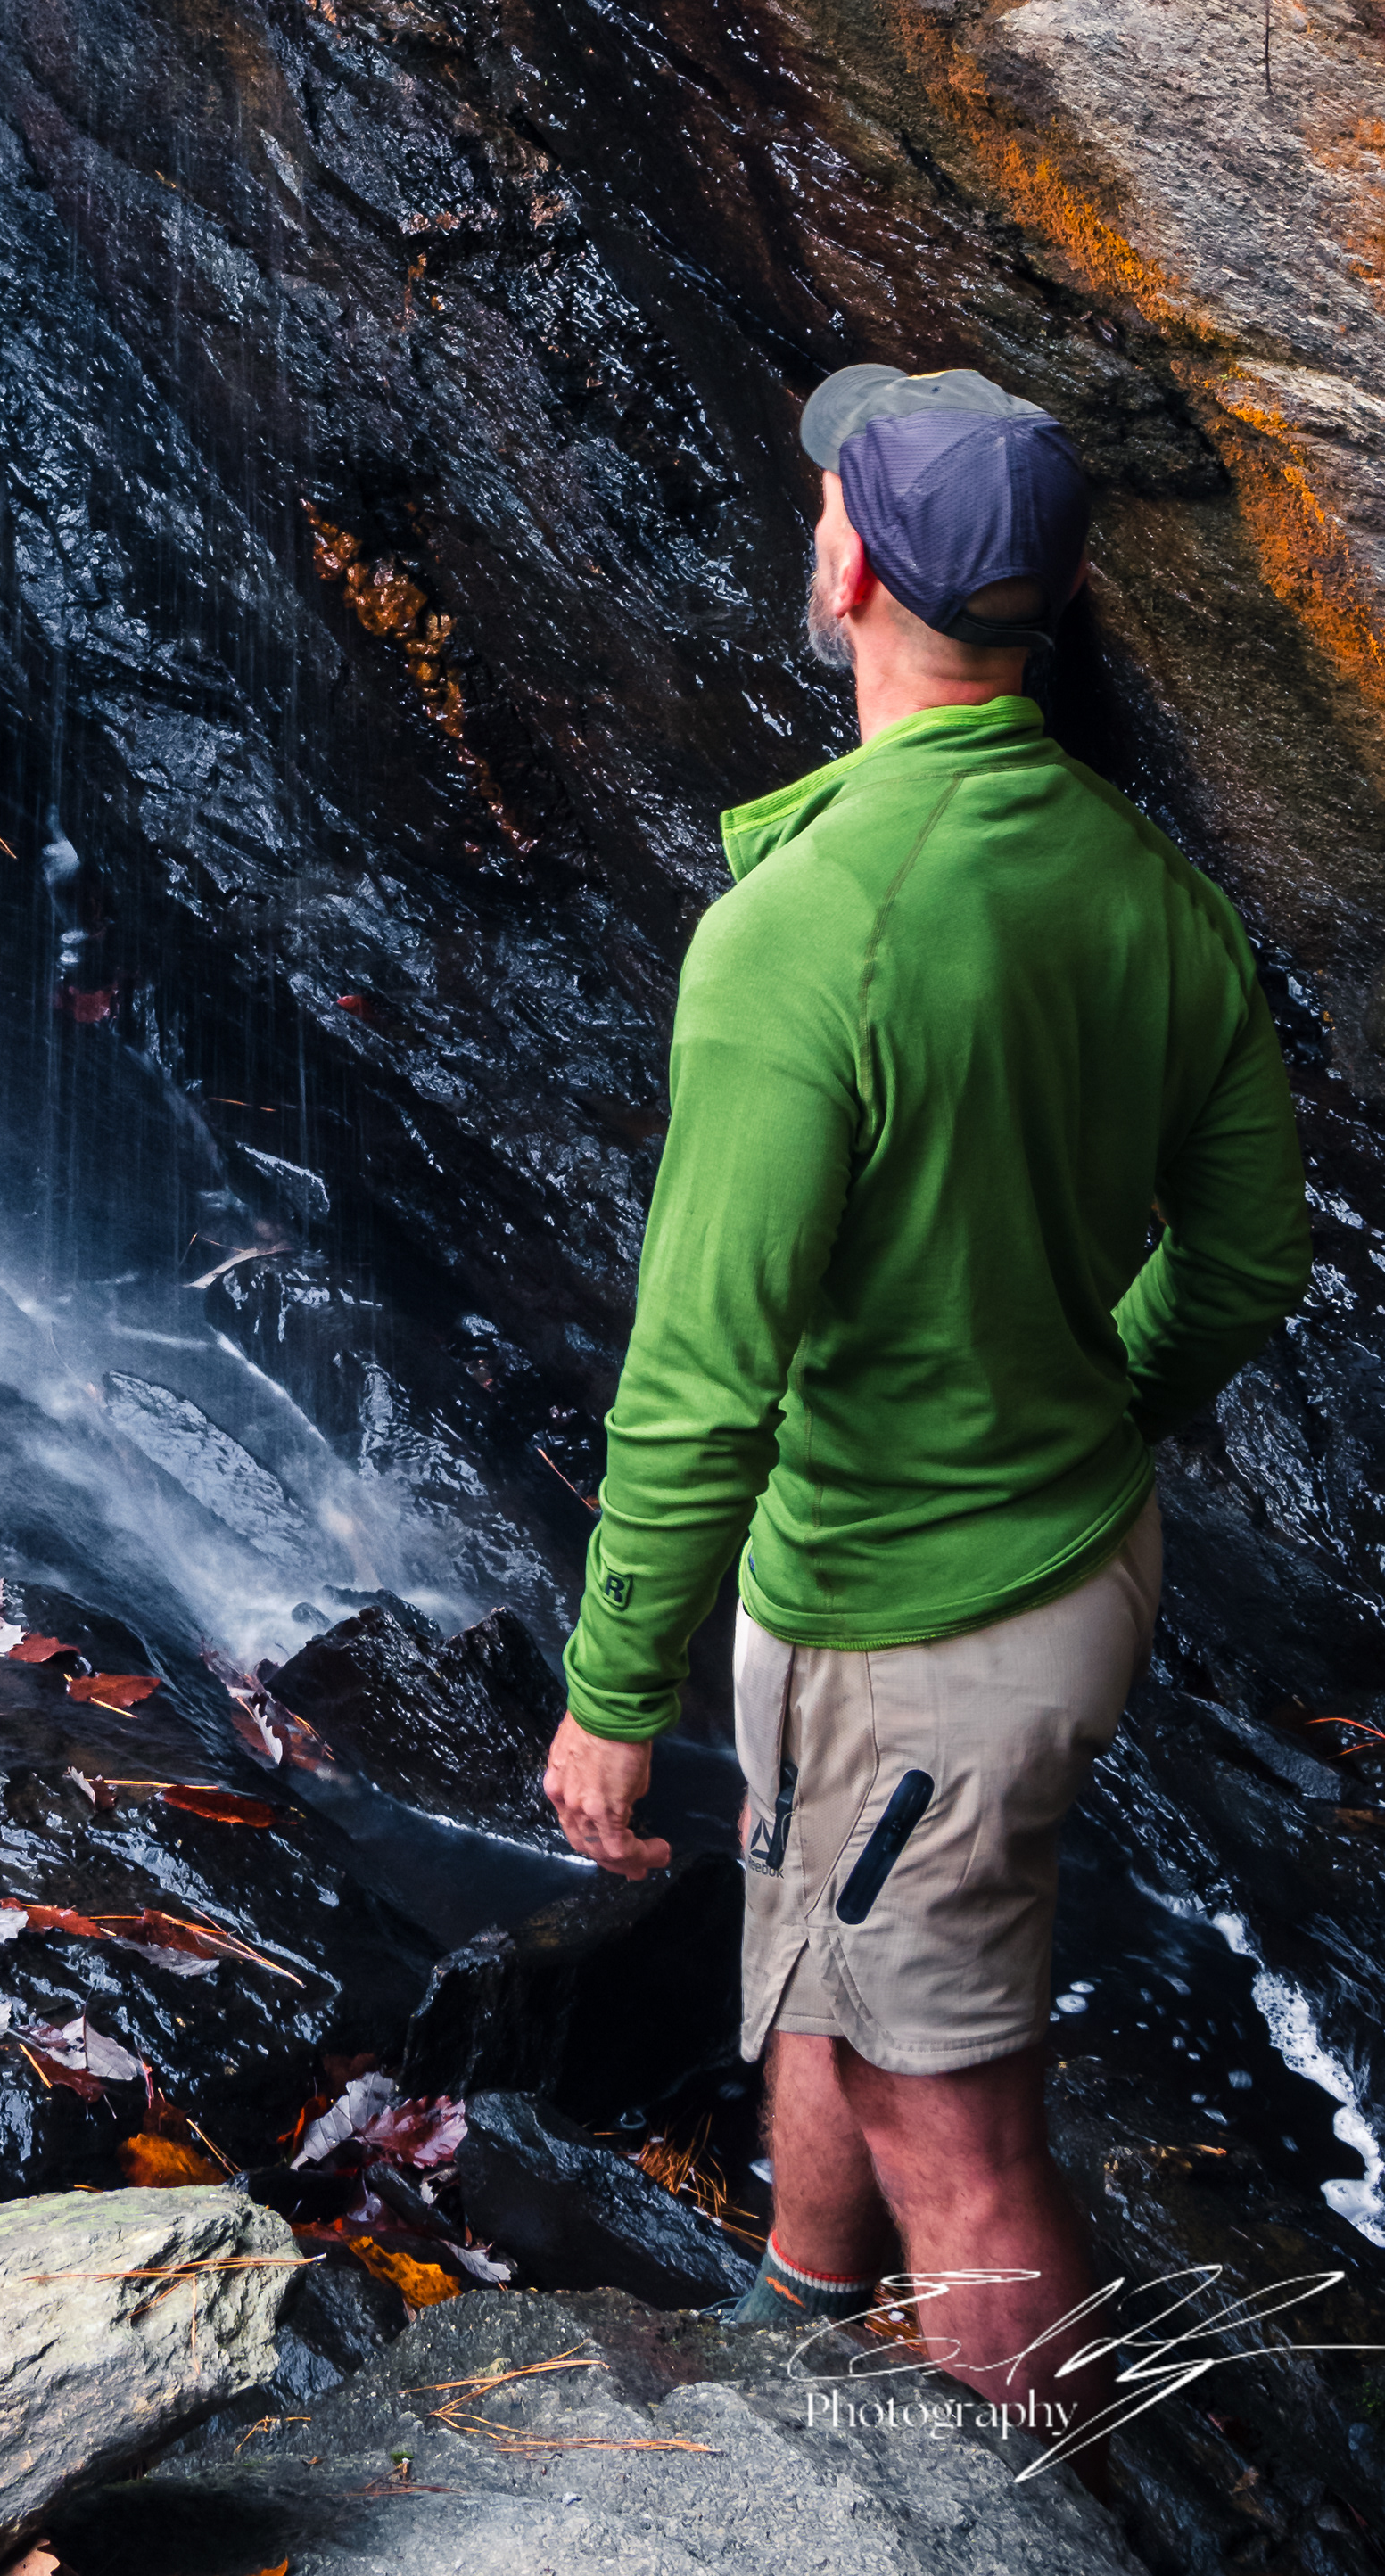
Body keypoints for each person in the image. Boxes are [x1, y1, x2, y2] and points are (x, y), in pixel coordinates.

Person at [541, 362, 1308, 2446]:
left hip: (928, 1627)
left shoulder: (800, 936)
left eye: (824, 507)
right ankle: (797, 2334)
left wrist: (613, 1691)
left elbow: (699, 1382)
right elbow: (1244, 1264)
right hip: (1024, 1568)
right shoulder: (1158, 898)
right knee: (815, 1961)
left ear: (850, 565)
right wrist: (1092, 1398)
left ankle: (1023, 2497)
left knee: (954, 2130)